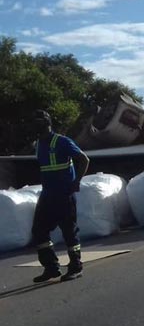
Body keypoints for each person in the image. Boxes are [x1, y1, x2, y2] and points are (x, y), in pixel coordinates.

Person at [30, 110, 90, 283]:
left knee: (69, 232)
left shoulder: (61, 141)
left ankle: (76, 267)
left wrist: (76, 181)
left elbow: (84, 159)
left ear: (47, 123)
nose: (36, 125)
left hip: (64, 195)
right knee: (39, 231)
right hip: (47, 195)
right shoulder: (39, 144)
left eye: (39, 121)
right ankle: (51, 267)